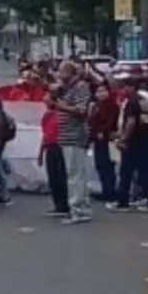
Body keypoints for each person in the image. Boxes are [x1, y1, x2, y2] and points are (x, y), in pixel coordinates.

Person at [107, 75, 148, 212]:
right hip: (143, 139)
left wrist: (123, 138)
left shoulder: (131, 103)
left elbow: (131, 122)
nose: (123, 89)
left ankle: (122, 202)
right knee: (143, 172)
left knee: (126, 172)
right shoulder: (143, 101)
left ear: (131, 87)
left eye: (125, 86)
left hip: (133, 142)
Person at [55, 60, 93, 224]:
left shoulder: (80, 87)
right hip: (67, 135)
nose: (59, 75)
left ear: (70, 73)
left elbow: (81, 110)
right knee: (76, 174)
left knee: (75, 175)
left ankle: (78, 209)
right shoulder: (68, 89)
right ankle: (81, 207)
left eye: (62, 72)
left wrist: (60, 106)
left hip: (74, 136)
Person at [38, 86, 69, 216]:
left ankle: (64, 205)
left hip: (60, 146)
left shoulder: (62, 114)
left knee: (61, 177)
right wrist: (40, 153)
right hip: (50, 147)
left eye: (48, 98)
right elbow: (45, 135)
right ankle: (58, 205)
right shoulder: (47, 116)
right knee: (53, 178)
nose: (44, 99)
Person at [88, 82, 119, 202]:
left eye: (103, 91)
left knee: (108, 166)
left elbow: (110, 122)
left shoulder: (112, 106)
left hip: (108, 140)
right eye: (99, 91)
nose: (101, 93)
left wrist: (102, 131)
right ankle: (106, 190)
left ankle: (110, 192)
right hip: (97, 140)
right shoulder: (95, 106)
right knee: (100, 165)